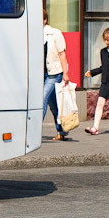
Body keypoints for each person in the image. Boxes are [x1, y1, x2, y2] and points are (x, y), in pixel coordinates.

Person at [42, 8, 71, 141]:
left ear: (45, 20)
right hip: (41, 74)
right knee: (53, 105)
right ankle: (62, 130)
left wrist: (65, 73)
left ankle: (34, 132)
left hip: (54, 73)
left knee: (42, 98)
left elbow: (62, 54)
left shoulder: (55, 34)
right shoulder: (33, 33)